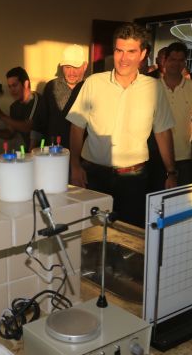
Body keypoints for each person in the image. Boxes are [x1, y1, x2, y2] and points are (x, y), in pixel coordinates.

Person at [67, 23, 176, 228]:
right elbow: (76, 127)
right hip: (94, 176)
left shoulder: (154, 89)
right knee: (92, 235)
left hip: (134, 179)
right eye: (119, 51)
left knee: (128, 236)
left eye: (131, 51)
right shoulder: (93, 83)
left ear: (143, 53)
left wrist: (171, 172)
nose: (124, 58)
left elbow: (162, 132)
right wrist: (74, 165)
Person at [149, 42, 192, 189]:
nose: (176, 64)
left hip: (184, 157)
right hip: (156, 156)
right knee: (155, 203)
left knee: (180, 203)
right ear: (164, 61)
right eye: (173, 59)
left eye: (181, 60)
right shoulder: (152, 87)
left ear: (185, 62)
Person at [35, 44, 88, 149]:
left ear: (85, 66)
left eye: (76, 67)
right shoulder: (51, 87)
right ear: (62, 67)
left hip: (84, 155)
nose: (71, 72)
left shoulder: (91, 87)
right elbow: (39, 123)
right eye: (67, 67)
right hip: (55, 153)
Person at [0, 67, 46, 150]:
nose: (12, 90)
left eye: (14, 85)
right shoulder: (14, 107)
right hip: (31, 155)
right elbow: (10, 132)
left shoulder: (38, 101)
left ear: (26, 84)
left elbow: (27, 127)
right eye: (9, 86)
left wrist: (1, 115)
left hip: (46, 154)